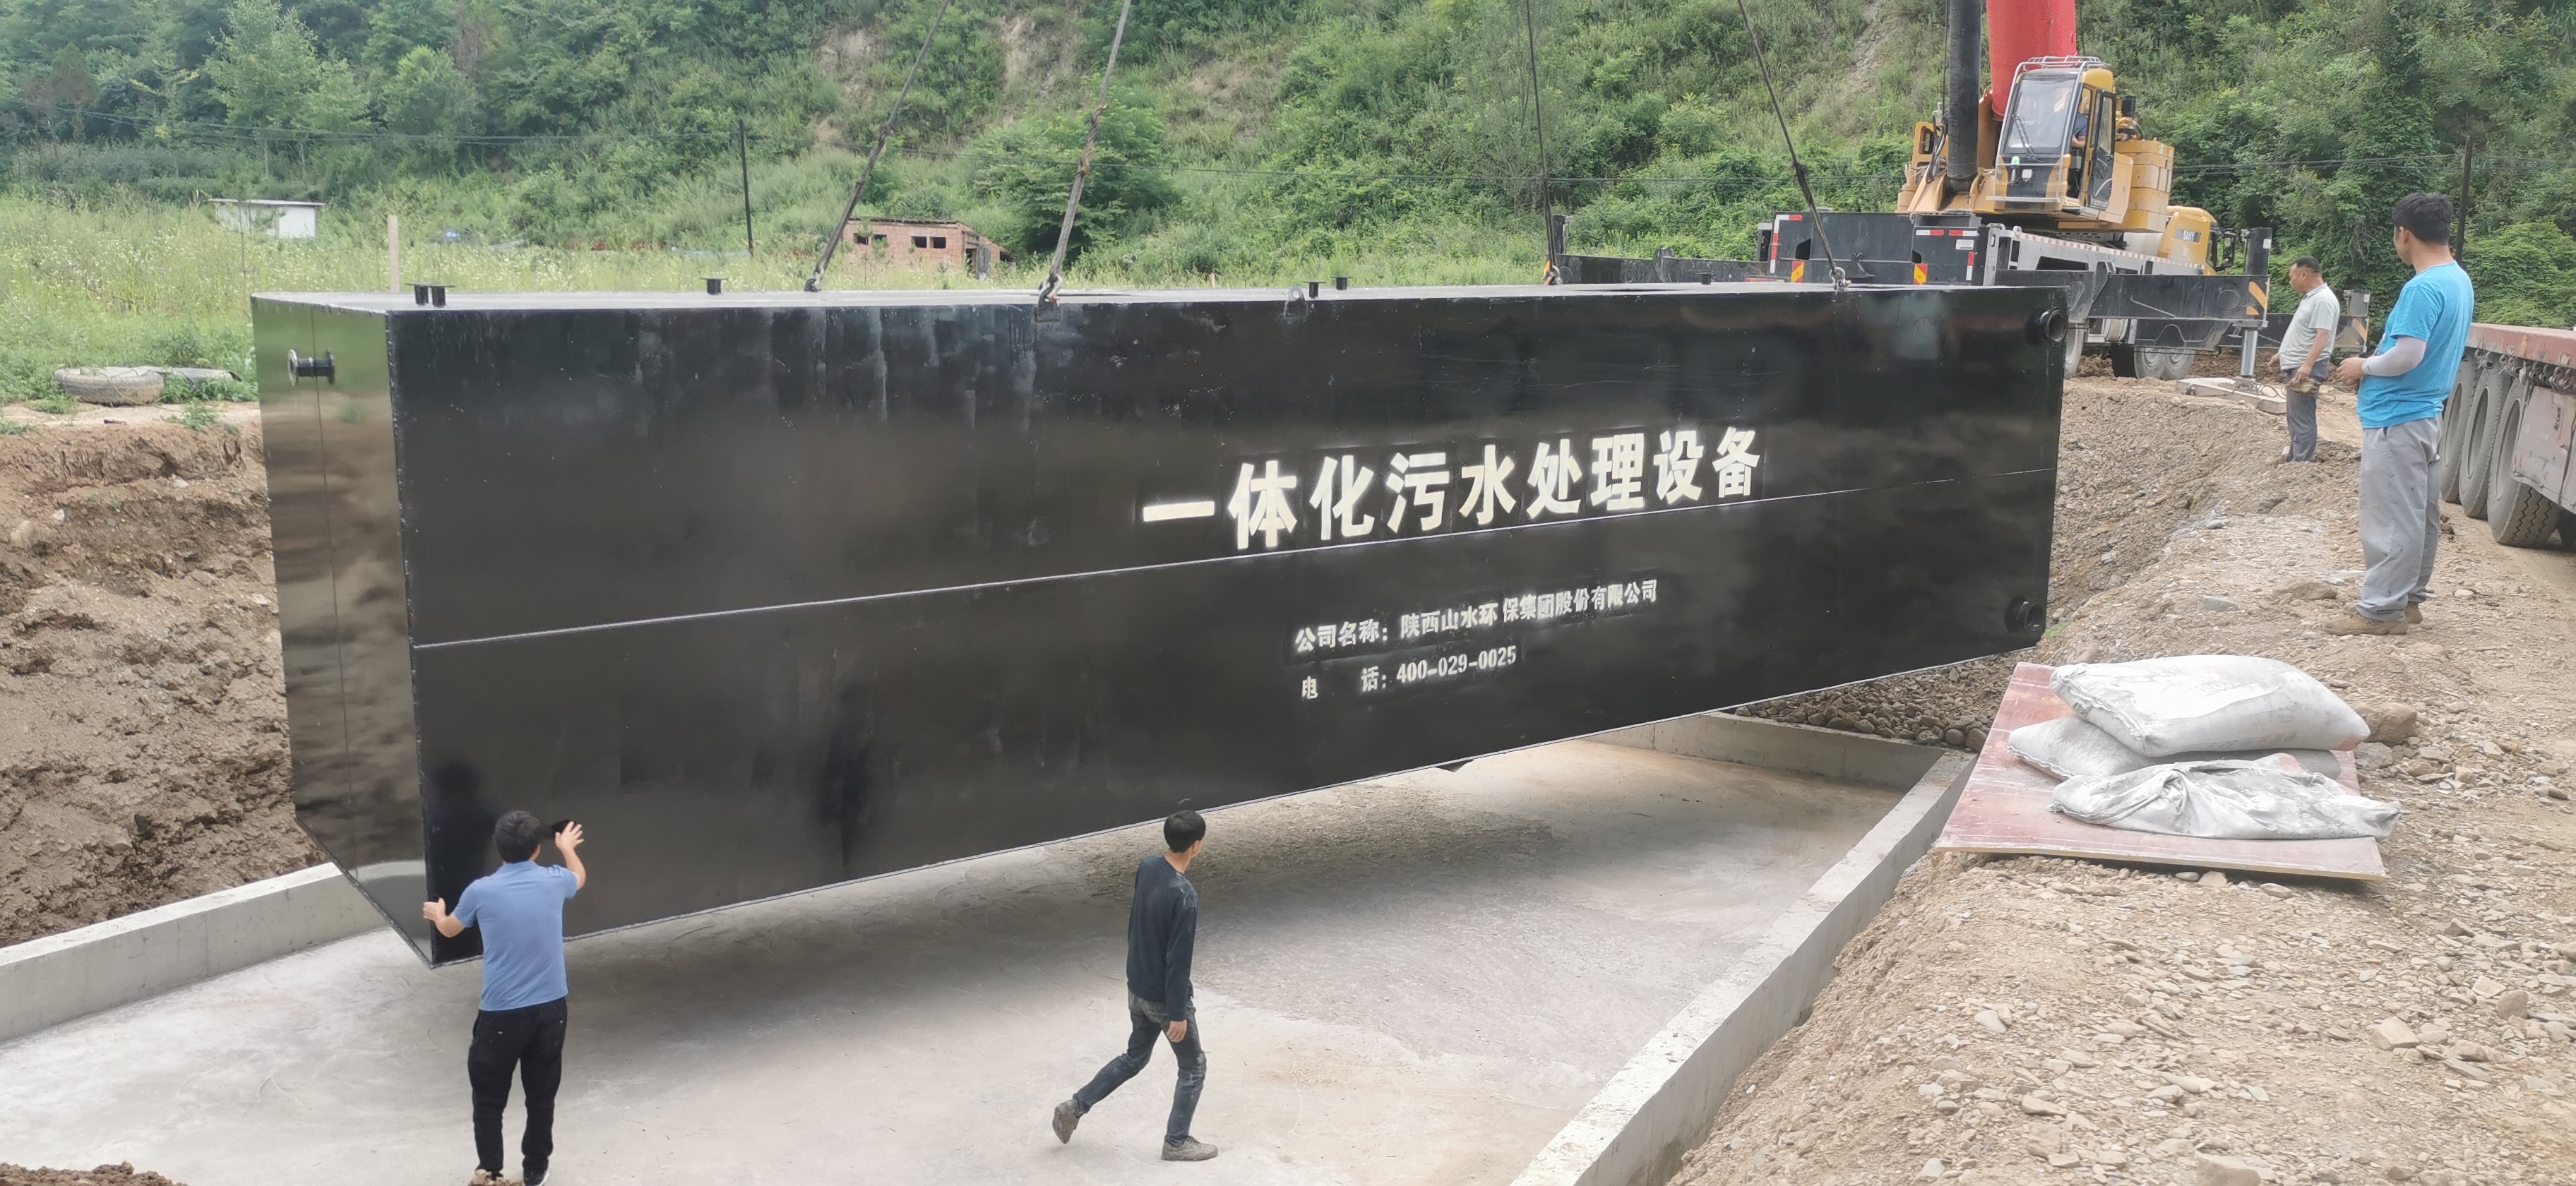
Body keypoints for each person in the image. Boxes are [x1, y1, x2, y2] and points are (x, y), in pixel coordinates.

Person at [2330, 192, 2475, 635]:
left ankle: (2380, 611)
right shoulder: (2458, 279)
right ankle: (2408, 600)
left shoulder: (2422, 288)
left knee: (2392, 518)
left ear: (2404, 234)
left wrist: (2363, 366)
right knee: (2418, 516)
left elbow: (2408, 355)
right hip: (2425, 415)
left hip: (2398, 418)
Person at [424, 812, 588, 1186]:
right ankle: (535, 1168)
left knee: (489, 1098)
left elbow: (450, 929)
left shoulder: (481, 891)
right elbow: (578, 877)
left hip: (501, 1015)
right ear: (537, 849)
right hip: (551, 1010)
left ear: (498, 849)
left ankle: (491, 1171)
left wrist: (437, 913)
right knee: (541, 1093)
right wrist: (567, 848)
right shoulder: (555, 880)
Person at [1051, 810, 1217, 1162]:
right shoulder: (1185, 895)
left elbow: (1138, 925)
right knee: (1193, 1067)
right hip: (1163, 999)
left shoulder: (1147, 867)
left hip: (1137, 988)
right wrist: (1177, 1014)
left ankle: (1075, 1106)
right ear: (1197, 846)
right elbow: (1178, 961)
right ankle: (1176, 1142)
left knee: (1134, 1057)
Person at [2274, 257, 2341, 463]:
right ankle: (2296, 457)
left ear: (2303, 275)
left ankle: (2301, 462)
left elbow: (2323, 335)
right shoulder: (2311, 298)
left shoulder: (2322, 300)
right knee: (2295, 415)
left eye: (2292, 277)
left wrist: (2308, 365)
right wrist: (2282, 354)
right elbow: (2303, 332)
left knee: (2302, 416)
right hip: (2298, 364)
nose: (2291, 281)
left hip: (2306, 367)